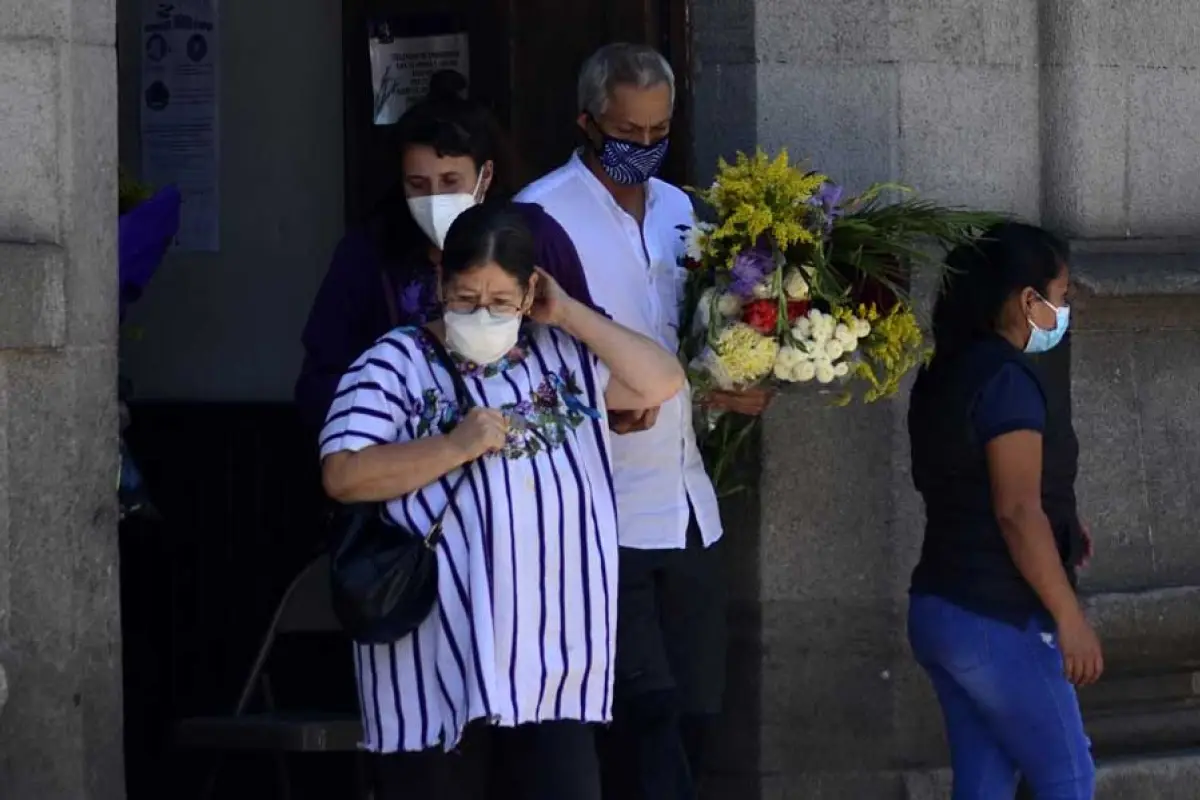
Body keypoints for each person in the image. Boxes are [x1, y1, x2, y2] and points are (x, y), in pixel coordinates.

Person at [319, 201, 686, 799]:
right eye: (465, 299)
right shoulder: (393, 364)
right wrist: (453, 446)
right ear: (440, 285)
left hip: (552, 661)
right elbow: (343, 474)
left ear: (528, 293)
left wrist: (568, 313)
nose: (481, 314)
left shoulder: (561, 357)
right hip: (437, 663)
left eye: (500, 301)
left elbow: (660, 381)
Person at [516, 43, 765, 799]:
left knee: (696, 714)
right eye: (629, 133)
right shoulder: (540, 214)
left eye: (660, 132)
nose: (646, 149)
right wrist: (603, 402)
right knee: (643, 727)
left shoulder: (681, 211)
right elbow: (522, 358)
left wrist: (739, 380)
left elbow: (694, 337)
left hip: (689, 503)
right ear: (588, 122)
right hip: (601, 510)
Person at [906, 222, 1102, 799]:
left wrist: (1064, 526)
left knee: (985, 780)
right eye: (1062, 297)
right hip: (998, 615)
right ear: (1027, 300)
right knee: (1067, 776)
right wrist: (1069, 618)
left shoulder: (946, 370)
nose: (1065, 311)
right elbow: (1016, 510)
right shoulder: (1007, 379)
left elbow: (965, 484)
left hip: (942, 605)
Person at [295, 70, 596, 435]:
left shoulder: (534, 237)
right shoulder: (368, 253)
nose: (435, 199)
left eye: (451, 182)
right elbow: (323, 377)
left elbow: (591, 343)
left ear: (485, 176)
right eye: (418, 184)